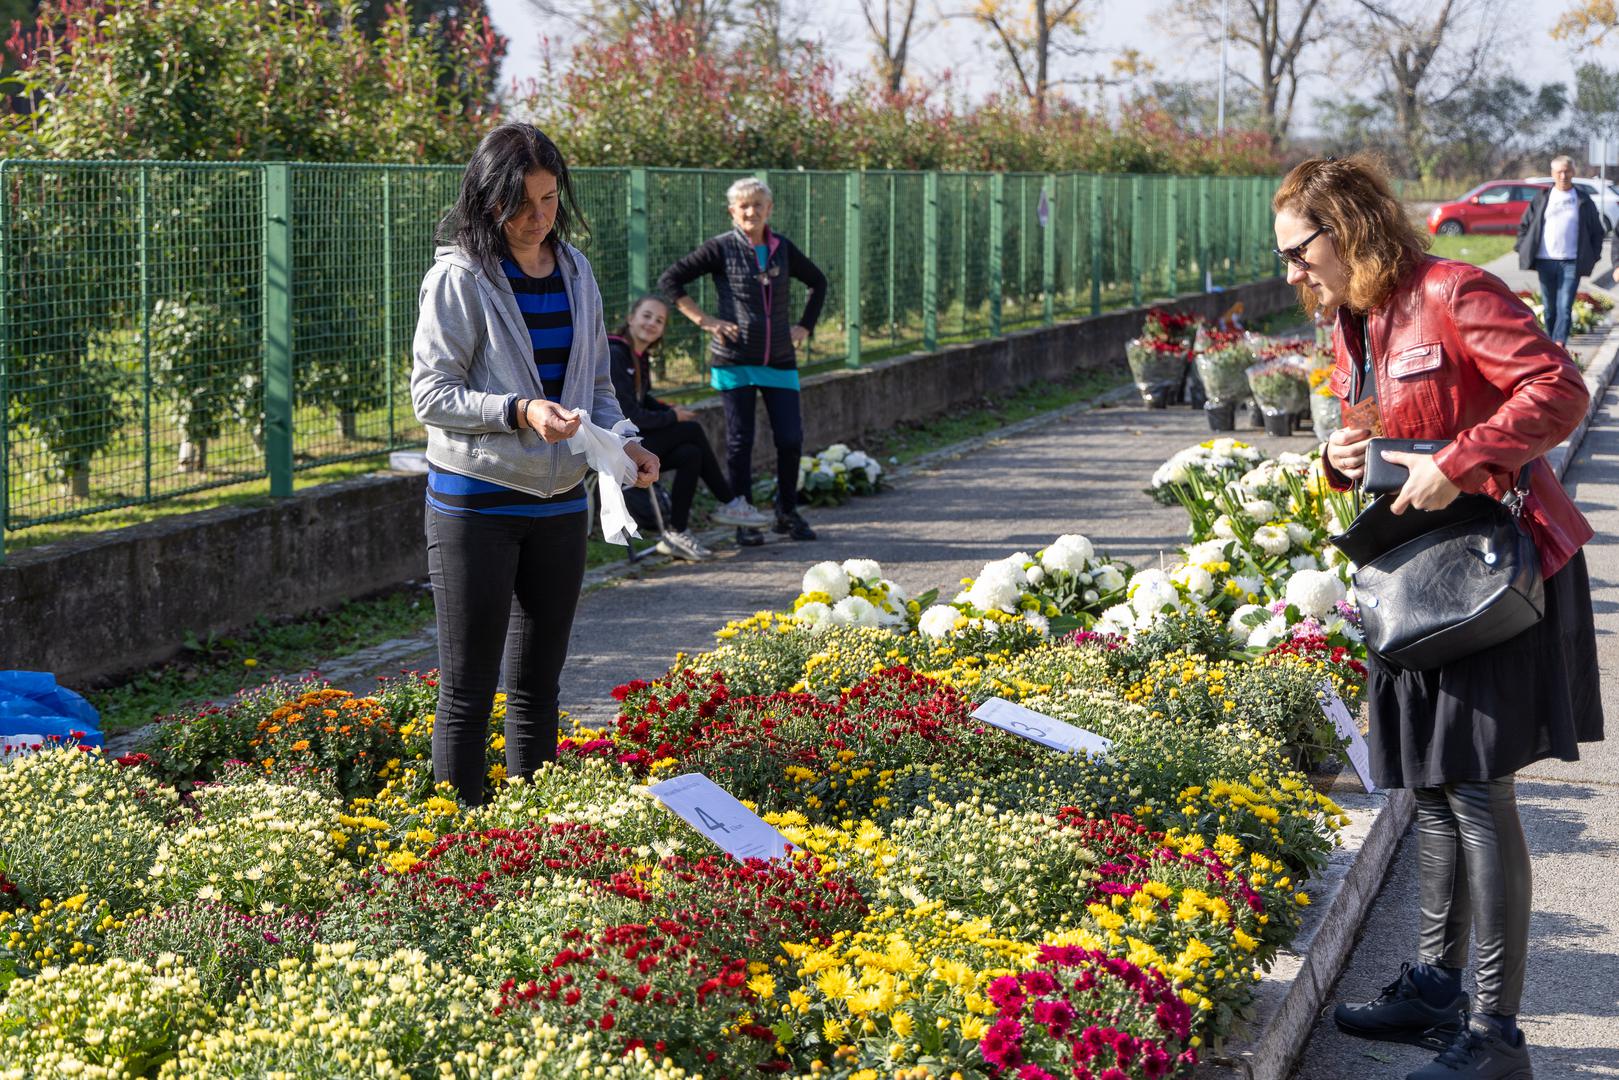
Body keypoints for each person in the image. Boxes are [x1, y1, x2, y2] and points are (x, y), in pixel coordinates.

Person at [1274, 155, 1603, 1080]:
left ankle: (1495, 1037)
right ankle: (1432, 985)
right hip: (1412, 577)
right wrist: (1342, 456)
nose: (1292, 273)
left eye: (1301, 252)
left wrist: (1461, 457)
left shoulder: (1452, 290)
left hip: (1488, 576)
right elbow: (1377, 431)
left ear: (1348, 228)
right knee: (1423, 782)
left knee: (1474, 790)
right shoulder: (1356, 316)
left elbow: (1556, 389)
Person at [411, 122, 659, 807]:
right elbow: (430, 394)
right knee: (467, 690)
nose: (537, 217)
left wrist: (625, 442)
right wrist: (520, 411)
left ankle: (530, 839)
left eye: (549, 199)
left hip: (559, 505)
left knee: (538, 687)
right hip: (476, 505)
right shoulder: (459, 276)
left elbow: (597, 389)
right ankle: (456, 844)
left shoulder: (576, 271)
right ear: (486, 201)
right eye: (521, 204)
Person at [657, 177, 827, 547]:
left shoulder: (783, 248)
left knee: (790, 439)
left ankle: (787, 512)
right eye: (744, 206)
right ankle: (744, 517)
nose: (751, 211)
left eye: (758, 205)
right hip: (734, 360)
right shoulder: (720, 248)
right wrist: (705, 321)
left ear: (770, 209)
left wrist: (804, 327)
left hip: (780, 359)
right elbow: (672, 279)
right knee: (740, 442)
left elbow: (818, 282)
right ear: (732, 211)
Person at [607, 294, 771, 560]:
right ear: (631, 318)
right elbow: (629, 413)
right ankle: (729, 502)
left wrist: (669, 411)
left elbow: (641, 398)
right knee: (690, 431)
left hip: (630, 442)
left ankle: (676, 533)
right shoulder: (616, 354)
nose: (651, 323)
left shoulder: (637, 356)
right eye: (646, 316)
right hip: (611, 448)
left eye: (659, 321)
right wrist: (673, 418)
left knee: (690, 455)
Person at [1515, 155, 1606, 347]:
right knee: (1549, 308)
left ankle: (1559, 343)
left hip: (1571, 261)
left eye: (1567, 171)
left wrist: (1592, 256)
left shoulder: (1582, 199)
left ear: (1573, 172)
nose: (1563, 176)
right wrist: (1522, 247)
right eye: (1559, 172)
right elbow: (1525, 226)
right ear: (1552, 174)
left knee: (1564, 306)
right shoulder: (1542, 198)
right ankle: (1550, 341)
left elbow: (1597, 231)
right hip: (1545, 260)